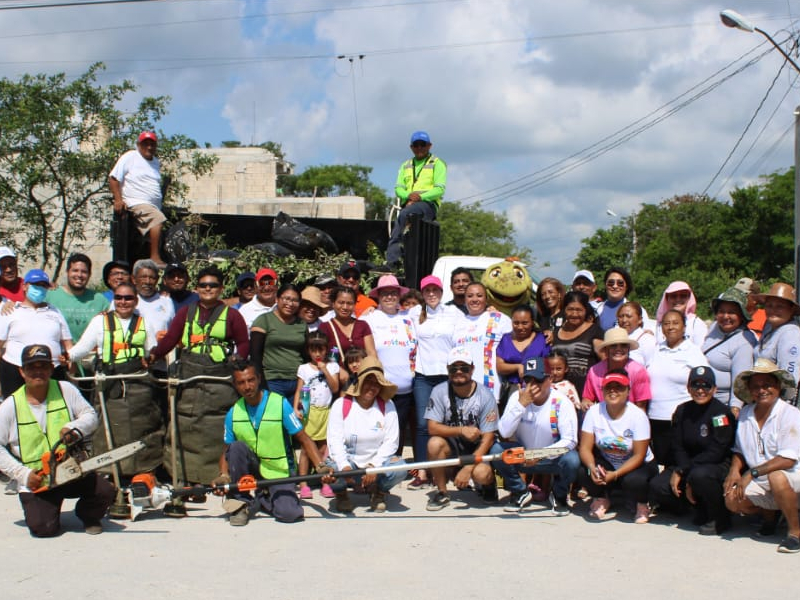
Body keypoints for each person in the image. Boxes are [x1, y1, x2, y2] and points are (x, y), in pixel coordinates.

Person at [148, 265, 249, 485]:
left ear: (221, 289)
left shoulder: (232, 315)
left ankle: (216, 475)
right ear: (197, 288)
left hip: (219, 381)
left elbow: (243, 343)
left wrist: (238, 359)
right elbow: (171, 338)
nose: (208, 289)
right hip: (188, 378)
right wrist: (153, 355)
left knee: (216, 427)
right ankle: (184, 476)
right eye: (203, 285)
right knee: (186, 426)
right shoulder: (186, 312)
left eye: (213, 285)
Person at [0, 344, 114, 536]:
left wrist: (74, 429)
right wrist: (23, 474)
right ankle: (47, 510)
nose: (38, 372)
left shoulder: (65, 389)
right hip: (39, 478)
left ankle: (89, 515)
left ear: (51, 369)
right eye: (32, 367)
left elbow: (90, 415)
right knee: (43, 528)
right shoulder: (10, 406)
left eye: (43, 367)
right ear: (22, 371)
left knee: (105, 491)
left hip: (70, 468)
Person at [211, 360, 331, 525]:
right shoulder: (233, 412)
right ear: (235, 385)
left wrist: (320, 466)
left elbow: (303, 438)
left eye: (251, 380)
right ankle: (240, 503)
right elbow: (226, 449)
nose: (247, 386)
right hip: (252, 470)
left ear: (259, 379)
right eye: (241, 382)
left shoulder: (279, 403)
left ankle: (262, 497)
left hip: (278, 471)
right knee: (236, 447)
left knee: (290, 514)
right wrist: (223, 476)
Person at [65, 282, 163, 476]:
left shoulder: (145, 323)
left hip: (137, 382)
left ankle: (141, 470)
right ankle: (108, 470)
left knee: (141, 426)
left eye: (128, 298)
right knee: (107, 427)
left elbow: (151, 350)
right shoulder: (100, 322)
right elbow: (83, 347)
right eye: (118, 297)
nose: (123, 302)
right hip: (109, 382)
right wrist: (65, 357)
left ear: (135, 301)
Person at [648, 366, 736, 535]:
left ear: (715, 389)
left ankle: (720, 517)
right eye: (695, 385)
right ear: (688, 388)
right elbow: (677, 445)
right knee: (657, 486)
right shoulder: (682, 411)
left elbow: (717, 451)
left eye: (706, 386)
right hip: (688, 463)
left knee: (699, 476)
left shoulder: (720, 414)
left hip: (714, 465)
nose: (700, 390)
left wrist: (684, 470)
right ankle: (695, 508)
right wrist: (682, 468)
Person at [724, 359, 800, 553]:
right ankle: (771, 517)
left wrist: (751, 473)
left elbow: (788, 459)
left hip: (791, 476)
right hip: (762, 478)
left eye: (767, 385)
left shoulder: (790, 413)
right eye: (756, 386)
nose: (762, 390)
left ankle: (794, 533)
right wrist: (734, 470)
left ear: (777, 386)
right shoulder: (746, 414)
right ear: (749, 391)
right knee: (731, 499)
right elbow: (740, 449)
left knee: (777, 476)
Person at [493, 357, 580, 515]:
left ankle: (559, 494)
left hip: (550, 457)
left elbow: (571, 440)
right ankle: (520, 491)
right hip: (523, 455)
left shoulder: (562, 402)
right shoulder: (517, 398)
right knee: (496, 450)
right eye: (528, 380)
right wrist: (521, 405)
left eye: (538, 380)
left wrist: (540, 455)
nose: (533, 386)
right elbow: (504, 432)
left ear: (550, 379)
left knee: (572, 460)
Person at [326, 356, 407, 513]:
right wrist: (344, 466)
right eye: (368, 381)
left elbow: (391, 442)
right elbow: (334, 440)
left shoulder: (387, 406)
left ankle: (379, 492)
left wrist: (374, 467)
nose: (372, 387)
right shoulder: (341, 405)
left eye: (377, 383)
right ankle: (341, 494)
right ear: (359, 381)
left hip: (377, 463)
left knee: (400, 468)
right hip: (350, 463)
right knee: (329, 469)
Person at [425, 346, 500, 511]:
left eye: (464, 368)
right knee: (434, 444)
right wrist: (460, 430)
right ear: (448, 370)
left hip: (477, 448)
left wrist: (468, 467)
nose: (459, 372)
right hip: (452, 445)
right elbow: (432, 427)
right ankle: (442, 492)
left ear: (472, 369)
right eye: (454, 368)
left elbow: (488, 437)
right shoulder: (438, 391)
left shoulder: (485, 396)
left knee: (481, 474)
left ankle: (487, 486)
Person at [579, 370, 657, 523]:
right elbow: (585, 448)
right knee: (584, 471)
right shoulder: (594, 412)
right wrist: (593, 467)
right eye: (609, 387)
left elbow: (639, 455)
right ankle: (602, 498)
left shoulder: (638, 415)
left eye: (619, 387)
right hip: (609, 462)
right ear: (602, 391)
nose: (613, 391)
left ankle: (642, 503)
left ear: (628, 391)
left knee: (634, 481)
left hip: (639, 464)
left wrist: (615, 475)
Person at [408, 274, 463, 489]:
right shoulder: (414, 313)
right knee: (423, 424)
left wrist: (491, 311)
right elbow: (393, 316)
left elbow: (468, 330)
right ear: (422, 294)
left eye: (435, 290)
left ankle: (446, 469)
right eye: (427, 290)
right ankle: (422, 471)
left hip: (447, 376)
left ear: (442, 292)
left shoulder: (452, 313)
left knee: (448, 423)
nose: (431, 294)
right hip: (423, 375)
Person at [360, 275, 416, 457]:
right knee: (380, 431)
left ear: (400, 295)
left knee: (403, 431)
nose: (390, 297)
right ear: (378, 296)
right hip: (382, 388)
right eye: (385, 293)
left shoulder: (410, 316)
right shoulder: (370, 318)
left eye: (393, 293)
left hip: (409, 388)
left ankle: (398, 470)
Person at [646, 309, 709, 465]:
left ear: (684, 327)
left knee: (680, 464)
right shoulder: (656, 350)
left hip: (682, 419)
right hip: (655, 417)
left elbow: (705, 380)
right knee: (662, 463)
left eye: (675, 323)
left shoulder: (692, 351)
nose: (671, 327)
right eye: (666, 323)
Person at [0, 269, 73, 396]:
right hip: (15, 370)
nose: (39, 289)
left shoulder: (55, 312)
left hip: (52, 370)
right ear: (25, 286)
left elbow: (68, 345)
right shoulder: (10, 311)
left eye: (43, 285)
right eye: (36, 285)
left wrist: (70, 367)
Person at [388, 130, 446, 270]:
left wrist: (420, 197)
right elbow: (398, 189)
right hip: (409, 204)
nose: (419, 148)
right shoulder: (405, 165)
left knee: (405, 215)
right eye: (416, 145)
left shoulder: (437, 164)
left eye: (423, 144)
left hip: (428, 204)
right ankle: (399, 258)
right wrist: (409, 196)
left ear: (429, 146)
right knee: (403, 223)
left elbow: (439, 189)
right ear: (411, 147)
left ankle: (393, 261)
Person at [109, 131, 167, 267]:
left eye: (152, 144)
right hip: (136, 203)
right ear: (138, 145)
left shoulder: (156, 163)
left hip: (153, 206)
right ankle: (155, 258)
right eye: (145, 144)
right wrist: (118, 200)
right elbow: (113, 178)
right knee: (157, 219)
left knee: (158, 228)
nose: (149, 147)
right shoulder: (130, 157)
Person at [294, 330, 339, 500]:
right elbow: (299, 390)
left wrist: (325, 370)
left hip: (326, 411)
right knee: (306, 448)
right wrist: (295, 408)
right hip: (309, 412)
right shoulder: (304, 368)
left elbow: (335, 388)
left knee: (323, 448)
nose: (318, 354)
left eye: (321, 350)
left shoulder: (332, 366)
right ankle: (304, 483)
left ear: (326, 349)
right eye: (314, 350)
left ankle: (325, 482)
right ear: (308, 351)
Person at [451, 282, 512, 402]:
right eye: (470, 296)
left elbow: (517, 343)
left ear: (486, 298)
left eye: (479, 295)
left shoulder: (500, 319)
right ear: (464, 299)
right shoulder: (457, 322)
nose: (474, 299)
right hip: (461, 390)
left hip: (490, 391)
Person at [702, 287, 756, 416]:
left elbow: (741, 379)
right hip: (702, 401)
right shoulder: (714, 329)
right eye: (721, 311)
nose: (726, 316)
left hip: (722, 407)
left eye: (732, 312)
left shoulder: (744, 341)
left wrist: (735, 408)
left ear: (741, 315)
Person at [249, 283, 307, 400]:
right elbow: (255, 356)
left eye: (295, 300)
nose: (290, 304)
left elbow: (305, 354)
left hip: (298, 381)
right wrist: (261, 383)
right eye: (286, 299)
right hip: (272, 381)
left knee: (296, 417)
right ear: (277, 299)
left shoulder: (302, 324)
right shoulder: (263, 320)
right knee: (275, 416)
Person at [496, 304, 550, 412]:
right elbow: (499, 366)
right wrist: (517, 367)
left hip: (536, 392)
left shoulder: (543, 339)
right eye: (516, 323)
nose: (520, 327)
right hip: (511, 391)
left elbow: (547, 367)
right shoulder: (506, 339)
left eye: (525, 323)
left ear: (532, 322)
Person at [582, 327, 651, 411]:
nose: (618, 349)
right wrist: (586, 404)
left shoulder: (638, 371)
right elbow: (587, 398)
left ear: (628, 349)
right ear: (606, 350)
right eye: (613, 346)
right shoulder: (594, 371)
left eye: (623, 345)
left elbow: (641, 406)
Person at [318, 286, 376, 387]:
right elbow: (321, 355)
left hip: (362, 382)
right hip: (338, 382)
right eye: (341, 302)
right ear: (333, 303)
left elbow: (371, 353)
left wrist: (373, 374)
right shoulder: (325, 327)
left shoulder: (363, 325)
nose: (345, 307)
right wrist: (339, 370)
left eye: (349, 303)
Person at [550, 290, 603, 399]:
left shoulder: (594, 330)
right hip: (559, 394)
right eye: (570, 309)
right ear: (564, 309)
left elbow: (605, 361)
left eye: (579, 310)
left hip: (586, 394)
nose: (574, 314)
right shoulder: (556, 331)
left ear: (586, 310)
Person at [45, 253, 109, 341]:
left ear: (89, 274)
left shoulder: (100, 300)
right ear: (67, 272)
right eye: (75, 270)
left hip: (91, 353)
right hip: (59, 353)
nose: (79, 275)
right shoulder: (50, 295)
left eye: (84, 272)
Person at [752, 282, 800, 395]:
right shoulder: (769, 326)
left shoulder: (790, 334)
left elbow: (790, 377)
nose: (773, 310)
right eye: (769, 305)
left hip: (778, 400)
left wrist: (783, 406)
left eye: (779, 306)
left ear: (791, 309)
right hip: (763, 395)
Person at [128, 259, 175, 337]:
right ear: (134, 279)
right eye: (143, 277)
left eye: (152, 277)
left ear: (157, 280)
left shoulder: (166, 301)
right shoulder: (124, 301)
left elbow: (173, 330)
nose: (148, 281)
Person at [655, 281, 708, 346]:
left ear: (689, 298)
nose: (678, 299)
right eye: (673, 296)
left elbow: (701, 351)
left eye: (683, 296)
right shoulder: (660, 323)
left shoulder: (696, 324)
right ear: (667, 298)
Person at [595, 267, 643, 331]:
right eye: (611, 283)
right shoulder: (596, 309)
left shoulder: (637, 310)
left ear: (627, 286)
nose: (615, 286)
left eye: (620, 283)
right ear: (605, 285)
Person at [616, 301, 655, 366]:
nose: (624, 320)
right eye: (621, 316)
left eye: (628, 316)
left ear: (639, 319)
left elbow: (652, 368)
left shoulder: (648, 340)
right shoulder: (614, 338)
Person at [535, 277, 566, 341]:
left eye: (551, 292)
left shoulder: (567, 315)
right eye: (543, 294)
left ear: (559, 294)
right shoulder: (540, 317)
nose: (547, 296)